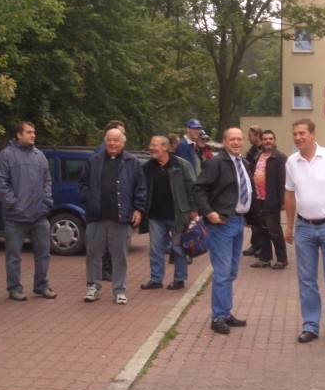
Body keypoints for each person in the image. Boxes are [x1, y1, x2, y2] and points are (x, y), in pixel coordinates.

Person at [284, 118, 325, 344]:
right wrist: (289, 226)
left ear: (313, 134)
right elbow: (289, 195)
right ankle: (310, 326)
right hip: (304, 228)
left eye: (302, 133)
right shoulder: (291, 162)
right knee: (306, 280)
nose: (298, 137)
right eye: (295, 134)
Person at [192, 127, 252, 334]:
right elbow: (198, 189)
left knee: (231, 271)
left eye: (239, 139)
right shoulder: (215, 163)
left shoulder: (244, 163)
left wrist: (251, 218)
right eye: (232, 139)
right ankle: (217, 316)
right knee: (223, 271)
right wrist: (209, 213)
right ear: (224, 141)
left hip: (239, 222)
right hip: (222, 224)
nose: (236, 142)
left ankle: (225, 312)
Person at [80, 127, 147, 305]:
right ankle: (93, 287)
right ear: (105, 142)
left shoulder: (132, 162)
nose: (112, 143)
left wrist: (138, 209)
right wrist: (88, 197)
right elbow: (83, 183)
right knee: (93, 255)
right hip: (97, 216)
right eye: (109, 140)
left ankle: (119, 290)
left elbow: (140, 188)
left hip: (121, 217)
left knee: (120, 257)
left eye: (116, 140)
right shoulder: (94, 161)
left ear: (122, 143)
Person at [0, 121, 56, 301]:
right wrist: (13, 204)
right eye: (29, 132)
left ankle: (41, 286)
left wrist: (46, 201)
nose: (33, 135)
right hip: (15, 217)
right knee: (14, 256)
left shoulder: (39, 156)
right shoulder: (6, 156)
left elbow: (47, 181)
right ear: (18, 135)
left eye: (34, 132)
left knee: (43, 254)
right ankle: (14, 288)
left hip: (39, 215)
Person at [139, 135, 197, 291]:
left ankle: (179, 278)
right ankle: (156, 279)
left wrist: (193, 209)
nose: (151, 148)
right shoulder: (148, 167)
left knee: (178, 248)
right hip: (155, 216)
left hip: (178, 214)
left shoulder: (181, 165)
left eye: (154, 145)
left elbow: (192, 188)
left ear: (165, 147)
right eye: (151, 145)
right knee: (155, 249)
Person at [249, 130, 289, 270]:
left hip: (271, 200)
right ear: (262, 140)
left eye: (271, 138)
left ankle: (282, 259)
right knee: (261, 230)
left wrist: (282, 201)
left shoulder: (280, 157)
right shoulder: (258, 156)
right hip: (258, 199)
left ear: (274, 140)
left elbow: (282, 180)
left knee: (274, 230)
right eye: (265, 139)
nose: (268, 141)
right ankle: (265, 259)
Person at [95, 120, 126, 281]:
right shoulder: (103, 153)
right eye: (121, 132)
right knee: (106, 241)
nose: (123, 135)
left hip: (114, 204)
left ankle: (109, 268)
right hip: (106, 205)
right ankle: (105, 269)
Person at [242, 125, 266, 257]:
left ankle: (262, 246)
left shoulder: (265, 151)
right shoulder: (251, 152)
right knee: (254, 217)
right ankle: (255, 244)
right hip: (253, 189)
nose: (248, 138)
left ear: (257, 135)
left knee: (262, 219)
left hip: (262, 191)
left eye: (250, 135)